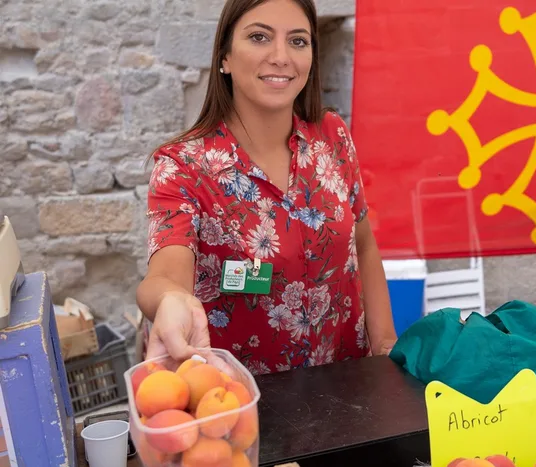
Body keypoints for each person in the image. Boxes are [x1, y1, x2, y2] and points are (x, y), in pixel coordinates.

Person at [136, 0, 397, 375]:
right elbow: (165, 276)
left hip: (349, 393)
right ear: (224, 56)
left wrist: (385, 347)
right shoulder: (183, 167)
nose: (281, 56)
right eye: (259, 37)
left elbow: (365, 245)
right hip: (243, 406)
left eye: (298, 41)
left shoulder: (332, 137)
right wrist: (170, 300)